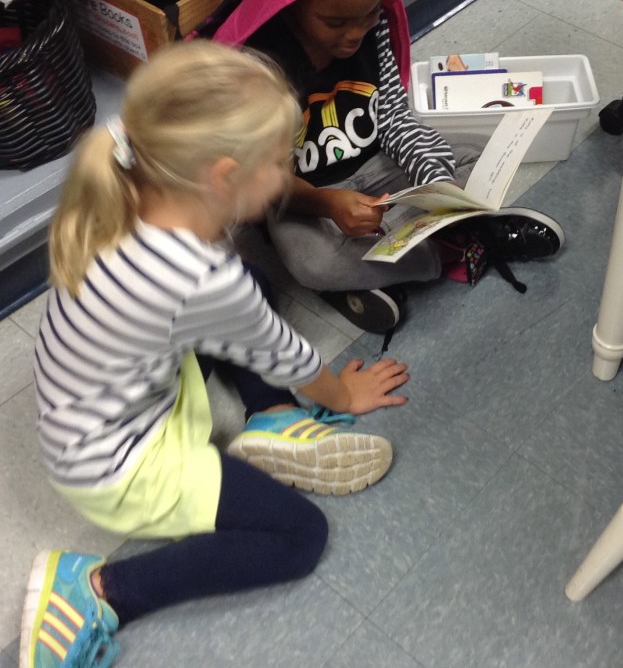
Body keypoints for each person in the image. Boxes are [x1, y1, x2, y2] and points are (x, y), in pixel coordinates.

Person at [20, 40, 409, 668]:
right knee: (298, 536)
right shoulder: (198, 277)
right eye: (279, 166)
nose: (286, 176)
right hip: (118, 466)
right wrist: (344, 394)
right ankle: (96, 592)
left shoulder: (121, 188)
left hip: (88, 406)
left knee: (251, 289)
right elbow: (287, 353)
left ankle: (272, 423)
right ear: (225, 176)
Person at [214, 0, 564, 334]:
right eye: (335, 22)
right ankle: (454, 249)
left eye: (371, 13)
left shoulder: (369, 30)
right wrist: (327, 205)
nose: (354, 34)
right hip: (308, 196)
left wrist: (433, 183)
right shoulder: (262, 64)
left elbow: (395, 117)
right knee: (311, 261)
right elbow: (262, 179)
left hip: (378, 171)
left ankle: (389, 264)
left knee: (478, 157)